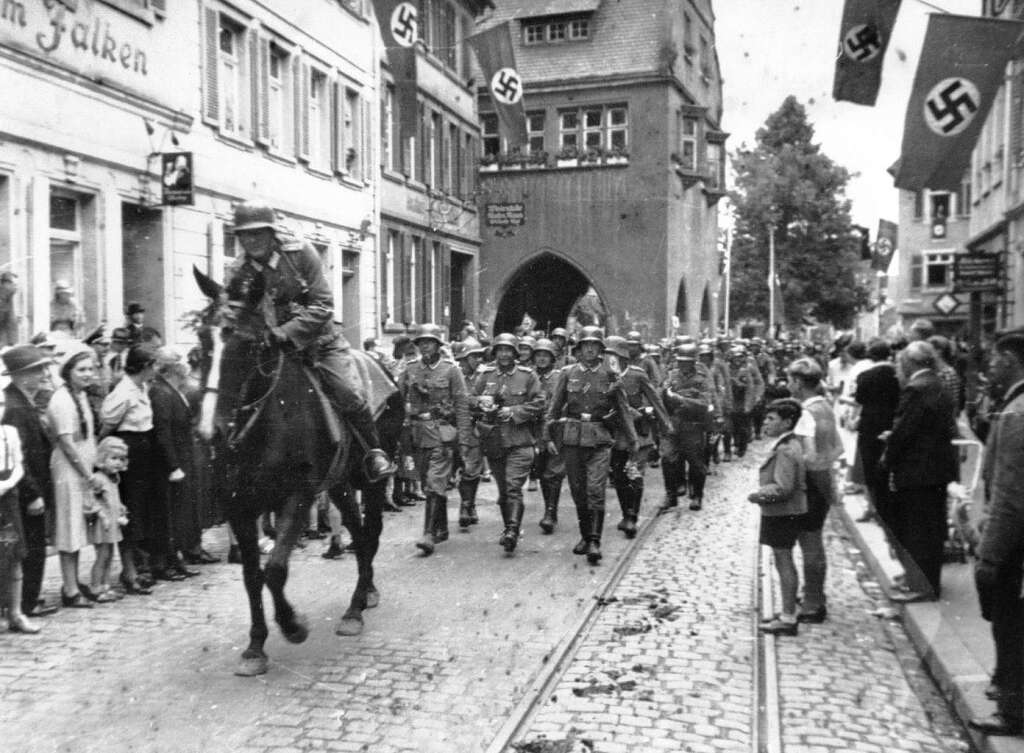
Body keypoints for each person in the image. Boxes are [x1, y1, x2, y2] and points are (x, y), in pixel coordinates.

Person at [226, 201, 394, 484]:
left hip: (319, 344)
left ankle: (373, 453)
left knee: (349, 393)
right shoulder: (237, 270)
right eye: (244, 235)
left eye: (257, 233)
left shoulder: (300, 254)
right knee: (231, 391)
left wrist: (285, 331)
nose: (251, 240)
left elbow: (323, 305)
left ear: (272, 232)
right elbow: (235, 312)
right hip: (269, 351)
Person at [544, 326, 637, 564]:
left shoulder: (610, 375)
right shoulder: (567, 373)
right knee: (578, 491)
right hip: (573, 439)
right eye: (585, 345)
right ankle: (586, 535)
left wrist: (632, 439)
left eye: (594, 345)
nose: (589, 349)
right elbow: (554, 408)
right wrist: (547, 435)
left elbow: (624, 410)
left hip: (599, 439)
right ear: (578, 349)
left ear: (601, 350)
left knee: (596, 488)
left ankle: (595, 540)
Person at [971, 330, 1024, 736]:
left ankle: (1013, 710)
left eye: (995, 358)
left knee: (1009, 622)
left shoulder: (1016, 412)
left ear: (1010, 359)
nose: (990, 366)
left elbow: (1009, 494)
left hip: (1015, 543)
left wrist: (989, 554)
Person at [882, 340, 958, 602]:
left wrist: (887, 457)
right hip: (936, 468)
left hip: (917, 469)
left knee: (917, 529)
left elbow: (906, 430)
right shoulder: (937, 384)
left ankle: (922, 586)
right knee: (930, 527)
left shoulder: (916, 387)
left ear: (910, 362)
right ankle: (924, 580)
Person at [399, 323, 473, 556]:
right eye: (421, 343)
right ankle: (440, 529)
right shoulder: (410, 369)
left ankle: (428, 534)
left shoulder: (451, 370)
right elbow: (398, 399)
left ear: (438, 345)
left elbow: (462, 405)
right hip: (417, 433)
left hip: (442, 432)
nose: (425, 347)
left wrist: (464, 438)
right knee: (426, 482)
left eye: (430, 342)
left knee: (434, 482)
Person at [100, 345, 168, 590]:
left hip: (143, 453)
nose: (157, 370)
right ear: (145, 366)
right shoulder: (123, 392)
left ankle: (138, 566)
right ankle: (129, 571)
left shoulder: (141, 388)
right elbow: (107, 426)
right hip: (129, 455)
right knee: (130, 513)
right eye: (155, 365)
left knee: (142, 513)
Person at [472, 333, 545, 553]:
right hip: (494, 441)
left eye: (508, 350)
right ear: (494, 352)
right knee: (504, 491)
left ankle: (513, 530)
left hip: (520, 440)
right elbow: (471, 400)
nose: (504, 354)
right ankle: (509, 528)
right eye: (500, 350)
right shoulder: (485, 375)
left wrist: (513, 411)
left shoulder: (527, 376)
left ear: (516, 353)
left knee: (514, 487)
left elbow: (540, 403)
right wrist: (482, 405)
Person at [2, 345, 58, 618]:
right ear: (23, 375)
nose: (45, 375)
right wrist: (33, 493)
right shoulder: (15, 407)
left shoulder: (20, 401)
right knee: (31, 547)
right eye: (39, 370)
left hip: (30, 487)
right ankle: (26, 602)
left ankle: (26, 599)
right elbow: (19, 456)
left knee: (33, 545)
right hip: (26, 492)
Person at [787, 357, 842, 623]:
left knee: (810, 544)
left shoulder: (806, 413)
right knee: (812, 542)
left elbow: (812, 458)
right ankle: (813, 593)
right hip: (818, 482)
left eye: (790, 380)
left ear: (798, 382)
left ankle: (813, 602)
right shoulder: (823, 406)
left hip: (809, 485)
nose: (788, 384)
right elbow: (836, 447)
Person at [47, 343, 101, 608]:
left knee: (77, 529)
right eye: (82, 369)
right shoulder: (61, 399)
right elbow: (67, 443)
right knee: (69, 528)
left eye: (91, 369)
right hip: (69, 471)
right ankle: (69, 589)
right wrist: (86, 474)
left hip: (82, 470)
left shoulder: (80, 396)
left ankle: (73, 582)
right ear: (68, 372)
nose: (88, 374)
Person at [751, 398, 807, 637]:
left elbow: (783, 487)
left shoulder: (785, 450)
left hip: (783, 513)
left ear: (787, 422)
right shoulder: (788, 444)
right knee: (783, 560)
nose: (766, 422)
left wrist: (758, 495)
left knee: (784, 562)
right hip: (785, 512)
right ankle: (787, 612)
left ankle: (787, 617)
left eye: (771, 419)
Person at [604, 336, 671, 531]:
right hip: (615, 435)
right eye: (607, 355)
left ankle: (633, 516)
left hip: (638, 433)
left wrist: (665, 425)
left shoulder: (637, 374)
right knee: (619, 477)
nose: (609, 360)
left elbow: (655, 400)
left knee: (634, 473)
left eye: (612, 355)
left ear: (622, 356)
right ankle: (626, 514)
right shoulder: (602, 376)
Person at [150, 348, 209, 570]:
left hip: (183, 456)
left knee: (181, 510)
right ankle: (167, 561)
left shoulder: (174, 390)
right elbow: (163, 431)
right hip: (172, 461)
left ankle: (176, 558)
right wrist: (173, 465)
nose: (183, 366)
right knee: (171, 512)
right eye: (178, 361)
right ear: (171, 368)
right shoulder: (161, 392)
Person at [660, 343, 714, 512]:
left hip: (693, 427)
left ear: (693, 362)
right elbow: (663, 394)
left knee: (696, 463)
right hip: (674, 425)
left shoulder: (702, 379)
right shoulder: (671, 376)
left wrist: (680, 399)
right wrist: (666, 395)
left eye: (686, 361)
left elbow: (705, 403)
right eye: (680, 361)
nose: (682, 365)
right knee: (668, 459)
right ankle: (671, 495)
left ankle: (697, 495)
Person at [853, 338, 901, 528]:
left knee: (869, 467)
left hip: (870, 426)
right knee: (889, 466)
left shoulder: (865, 376)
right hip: (892, 424)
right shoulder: (898, 374)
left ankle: (872, 507)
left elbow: (860, 399)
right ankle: (889, 508)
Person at [0, 401, 35, 633]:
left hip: (8, 497)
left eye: (1, 404)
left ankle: (16, 612)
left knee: (13, 553)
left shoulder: (8, 432)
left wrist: (6, 484)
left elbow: (19, 466)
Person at [86, 436, 130, 603]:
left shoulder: (114, 478)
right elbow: (91, 499)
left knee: (110, 554)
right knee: (102, 556)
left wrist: (120, 507)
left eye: (121, 459)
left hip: (112, 522)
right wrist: (101, 515)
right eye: (113, 458)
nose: (118, 463)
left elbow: (112, 498)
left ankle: (105, 585)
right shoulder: (98, 478)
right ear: (102, 458)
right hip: (103, 524)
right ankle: (95, 586)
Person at [532, 338, 567, 533]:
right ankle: (549, 508)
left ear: (553, 358)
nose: (542, 359)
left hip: (555, 429)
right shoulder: (530, 377)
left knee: (553, 472)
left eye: (546, 355)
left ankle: (550, 513)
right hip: (533, 430)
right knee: (541, 470)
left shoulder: (560, 377)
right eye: (538, 355)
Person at [0, 271, 20, 346]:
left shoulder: (8, 297)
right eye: (14, 285)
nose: (16, 287)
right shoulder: (2, 298)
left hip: (8, 342)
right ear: (6, 284)